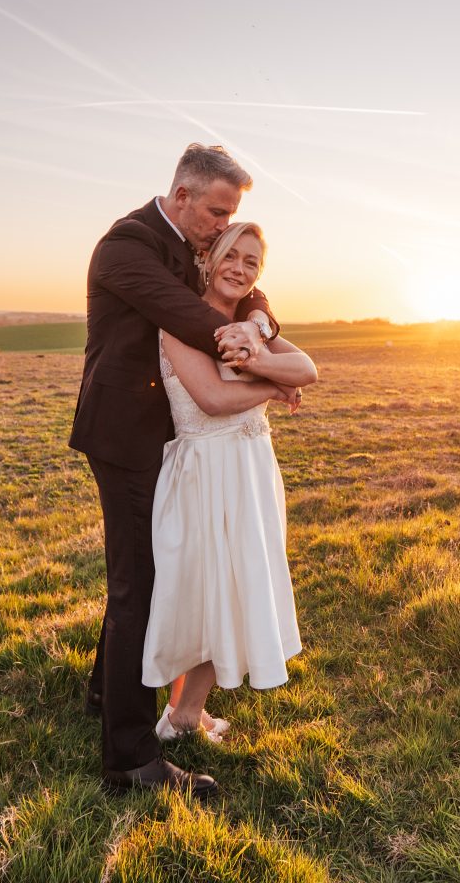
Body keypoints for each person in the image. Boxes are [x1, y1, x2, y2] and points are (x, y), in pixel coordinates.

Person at [69, 144, 289, 797]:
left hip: (167, 438)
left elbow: (251, 292)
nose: (224, 226)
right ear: (182, 195)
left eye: (233, 215)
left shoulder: (197, 245)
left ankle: (104, 698)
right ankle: (132, 763)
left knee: (141, 574)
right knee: (140, 581)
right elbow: (186, 314)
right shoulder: (127, 245)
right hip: (124, 435)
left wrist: (258, 319)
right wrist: (258, 357)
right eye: (217, 211)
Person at [141, 222, 317, 736]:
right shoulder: (180, 320)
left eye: (252, 264)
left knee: (233, 587)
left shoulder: (249, 323)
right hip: (204, 470)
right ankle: (182, 714)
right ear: (209, 257)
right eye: (231, 256)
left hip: (249, 468)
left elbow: (307, 368)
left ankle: (185, 714)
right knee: (202, 590)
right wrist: (271, 388)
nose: (239, 270)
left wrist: (262, 354)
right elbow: (213, 400)